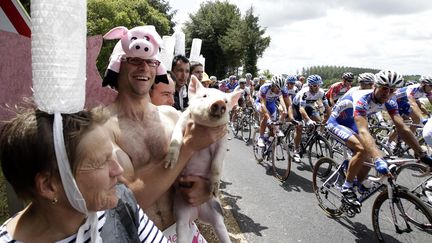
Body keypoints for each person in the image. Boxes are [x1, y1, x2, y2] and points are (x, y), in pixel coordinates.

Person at [102, 29, 226, 233]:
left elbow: (207, 167)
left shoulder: (172, 116)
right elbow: (122, 203)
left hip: (185, 230)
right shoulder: (103, 128)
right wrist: (186, 147)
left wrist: (206, 189)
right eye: (134, 60)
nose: (144, 67)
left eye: (151, 61)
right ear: (118, 65)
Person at [0, 107, 168, 242]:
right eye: (101, 162)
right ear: (49, 186)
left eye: (112, 155)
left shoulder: (119, 205)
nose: (118, 170)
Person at [326, 70, 432, 207]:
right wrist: (378, 158)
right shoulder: (362, 97)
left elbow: (402, 128)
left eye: (392, 90)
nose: (387, 93)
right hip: (337, 122)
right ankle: (347, 187)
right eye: (384, 88)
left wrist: (422, 154)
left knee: (367, 158)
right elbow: (363, 130)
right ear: (375, 85)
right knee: (363, 150)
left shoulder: (390, 100)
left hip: (353, 124)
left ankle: (356, 182)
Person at [292, 75, 331, 162]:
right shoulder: (305, 93)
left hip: (309, 106)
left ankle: (307, 136)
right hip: (297, 107)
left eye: (319, 85)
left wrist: (331, 119)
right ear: (309, 85)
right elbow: (301, 109)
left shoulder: (321, 92)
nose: (317, 87)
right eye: (314, 85)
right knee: (299, 127)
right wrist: (308, 120)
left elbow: (327, 107)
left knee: (318, 122)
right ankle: (296, 150)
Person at [387, 75, 432, 150]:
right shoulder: (412, 88)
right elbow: (413, 104)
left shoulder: (427, 91)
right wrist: (423, 118)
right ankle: (388, 143)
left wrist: (427, 114)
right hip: (394, 102)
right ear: (423, 84)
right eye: (431, 85)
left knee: (416, 120)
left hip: (405, 103)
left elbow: (421, 103)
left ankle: (406, 139)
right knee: (403, 123)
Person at [255, 75, 293, 147]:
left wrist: (287, 112)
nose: (279, 90)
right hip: (260, 103)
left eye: (280, 89)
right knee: (266, 117)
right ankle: (261, 137)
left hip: (271, 103)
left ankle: (266, 136)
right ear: (272, 85)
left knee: (273, 129)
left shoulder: (283, 89)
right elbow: (263, 105)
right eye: (277, 88)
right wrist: (268, 118)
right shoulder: (265, 88)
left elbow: (289, 104)